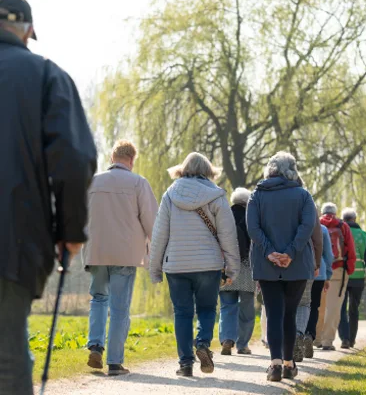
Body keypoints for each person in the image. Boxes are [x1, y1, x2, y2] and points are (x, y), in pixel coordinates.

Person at [0, 0, 97, 393]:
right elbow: (74, 159)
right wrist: (70, 230)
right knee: (6, 354)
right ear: (27, 30)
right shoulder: (46, 76)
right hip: (12, 236)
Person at [149, 152, 240, 377]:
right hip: (208, 264)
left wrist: (155, 268)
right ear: (208, 171)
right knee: (207, 309)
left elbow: (160, 234)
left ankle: (185, 364)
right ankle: (202, 344)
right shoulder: (217, 196)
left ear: (183, 169)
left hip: (177, 265)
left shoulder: (170, 195)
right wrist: (232, 268)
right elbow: (228, 235)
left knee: (182, 313)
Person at [83, 140, 158, 376]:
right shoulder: (138, 183)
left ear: (112, 157)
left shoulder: (92, 181)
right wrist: (158, 250)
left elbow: (80, 215)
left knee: (98, 298)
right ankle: (114, 362)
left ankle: (95, 345)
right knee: (119, 307)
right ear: (132, 160)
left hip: (96, 252)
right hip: (126, 253)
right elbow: (152, 222)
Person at [247, 152, 317, 382]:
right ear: (293, 170)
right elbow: (307, 226)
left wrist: (270, 252)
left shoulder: (256, 195)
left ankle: (275, 364)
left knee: (274, 312)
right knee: (290, 313)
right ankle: (289, 363)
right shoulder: (304, 196)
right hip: (296, 265)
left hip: (267, 265)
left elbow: (253, 228)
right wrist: (290, 252)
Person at [219, 188, 255, 356]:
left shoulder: (224, 216)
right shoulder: (252, 218)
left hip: (226, 268)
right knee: (247, 310)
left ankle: (227, 339)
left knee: (227, 306)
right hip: (247, 268)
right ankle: (242, 344)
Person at [338, 208, 366, 349]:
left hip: (341, 277)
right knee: (354, 309)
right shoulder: (363, 235)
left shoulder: (340, 233)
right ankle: (352, 339)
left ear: (343, 219)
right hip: (358, 278)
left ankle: (344, 339)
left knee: (341, 309)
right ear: (354, 219)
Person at [320, 203, 356, 351]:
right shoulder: (343, 226)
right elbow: (350, 249)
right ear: (335, 213)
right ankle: (327, 341)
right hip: (338, 270)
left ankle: (314, 338)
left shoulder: (315, 223)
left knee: (317, 305)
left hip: (317, 269)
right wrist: (349, 270)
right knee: (334, 308)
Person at [293, 211, 323, 362]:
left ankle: (287, 340)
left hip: (279, 263)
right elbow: (317, 240)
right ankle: (298, 334)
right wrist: (317, 264)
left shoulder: (277, 203)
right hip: (305, 263)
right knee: (304, 303)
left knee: (285, 303)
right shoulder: (308, 207)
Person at [305, 224, 334, 350]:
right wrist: (328, 275)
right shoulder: (322, 229)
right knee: (314, 306)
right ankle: (310, 335)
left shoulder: (296, 225)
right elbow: (328, 254)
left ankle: (298, 334)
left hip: (299, 273)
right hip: (319, 272)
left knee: (298, 304)